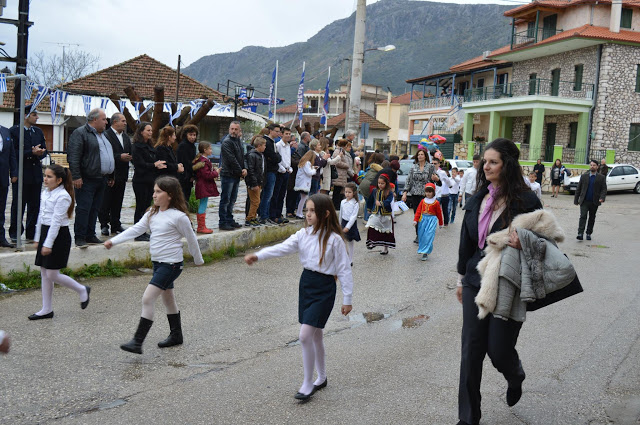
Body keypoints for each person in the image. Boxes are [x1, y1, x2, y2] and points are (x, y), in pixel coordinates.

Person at [455, 138, 542, 425]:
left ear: (508, 165)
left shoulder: (526, 201)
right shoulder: (479, 198)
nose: (486, 166)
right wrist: (460, 278)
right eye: (485, 161)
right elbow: (466, 242)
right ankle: (468, 418)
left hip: (507, 282)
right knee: (471, 350)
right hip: (474, 280)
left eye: (494, 162)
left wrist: (524, 241)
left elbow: (545, 242)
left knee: (498, 350)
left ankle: (515, 374)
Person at [244, 193, 353, 401]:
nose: (308, 214)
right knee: (316, 334)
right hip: (307, 284)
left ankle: (307, 383)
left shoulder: (335, 240)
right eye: (307, 210)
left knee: (304, 335)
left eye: (312, 210)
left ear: (325, 213)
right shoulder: (303, 234)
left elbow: (344, 269)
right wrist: (259, 255)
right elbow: (282, 248)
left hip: (324, 288)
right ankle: (321, 377)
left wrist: (347, 299)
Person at [105, 176, 204, 354]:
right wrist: (114, 241)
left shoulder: (179, 217)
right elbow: (137, 229)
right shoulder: (153, 212)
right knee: (168, 299)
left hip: (171, 265)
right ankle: (176, 335)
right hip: (158, 264)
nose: (154, 195)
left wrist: (198, 260)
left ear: (171, 195)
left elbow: (191, 239)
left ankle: (137, 341)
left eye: (159, 192)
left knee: (148, 298)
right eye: (154, 191)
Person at [29, 164, 90, 320]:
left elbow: (56, 222)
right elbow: (40, 218)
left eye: (49, 176)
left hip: (58, 237)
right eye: (45, 175)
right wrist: (37, 238)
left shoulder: (63, 196)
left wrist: (48, 244)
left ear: (59, 180)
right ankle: (46, 309)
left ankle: (82, 289)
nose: (45, 179)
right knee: (44, 272)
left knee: (52, 273)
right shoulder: (45, 193)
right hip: (45, 233)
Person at [67, 108, 115, 247]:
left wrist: (111, 174)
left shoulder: (103, 135)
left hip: (102, 178)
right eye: (104, 119)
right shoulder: (80, 133)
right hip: (87, 178)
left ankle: (90, 234)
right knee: (84, 208)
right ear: (94, 120)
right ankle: (80, 236)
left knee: (95, 208)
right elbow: (74, 156)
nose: (106, 122)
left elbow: (107, 155)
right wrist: (76, 176)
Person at [9, 107, 47, 244]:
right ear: (26, 115)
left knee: (35, 205)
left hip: (35, 174)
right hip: (21, 173)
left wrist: (41, 152)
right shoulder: (14, 131)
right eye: (34, 115)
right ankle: (15, 232)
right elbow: (13, 152)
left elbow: (44, 149)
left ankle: (31, 232)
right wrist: (30, 153)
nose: (37, 118)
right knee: (18, 204)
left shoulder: (38, 131)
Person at [131, 122, 166, 242]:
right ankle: (138, 233)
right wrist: (154, 165)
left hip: (150, 180)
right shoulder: (136, 146)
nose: (150, 133)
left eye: (151, 130)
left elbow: (153, 161)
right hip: (140, 180)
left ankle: (144, 231)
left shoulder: (150, 146)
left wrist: (158, 165)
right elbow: (139, 164)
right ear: (141, 132)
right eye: (148, 130)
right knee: (140, 207)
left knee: (147, 207)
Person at [99, 113, 132, 236]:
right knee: (105, 201)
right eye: (123, 121)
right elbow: (103, 155)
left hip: (122, 174)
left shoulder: (126, 137)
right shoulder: (106, 135)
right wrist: (119, 157)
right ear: (114, 122)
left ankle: (115, 224)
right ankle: (104, 224)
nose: (125, 123)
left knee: (118, 201)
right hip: (109, 174)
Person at [219, 121, 247, 230]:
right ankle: (223, 221)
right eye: (232, 129)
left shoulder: (238, 141)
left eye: (236, 129)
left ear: (239, 130)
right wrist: (241, 171)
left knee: (232, 199)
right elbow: (232, 160)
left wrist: (244, 168)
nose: (233, 131)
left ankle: (229, 219)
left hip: (235, 175)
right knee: (225, 199)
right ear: (229, 129)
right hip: (228, 174)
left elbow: (242, 157)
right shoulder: (227, 142)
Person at [574, 159, 607, 241]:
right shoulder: (584, 176)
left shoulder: (601, 177)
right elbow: (579, 188)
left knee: (592, 218)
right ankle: (580, 233)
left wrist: (602, 198)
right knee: (583, 216)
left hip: (594, 201)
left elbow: (604, 189)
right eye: (591, 165)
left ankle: (588, 233)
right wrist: (576, 199)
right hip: (584, 200)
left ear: (597, 167)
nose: (592, 166)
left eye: (594, 165)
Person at [192, 141, 219, 234]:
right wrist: (216, 172)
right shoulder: (203, 161)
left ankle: (202, 226)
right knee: (203, 204)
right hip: (203, 185)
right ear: (205, 150)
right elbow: (206, 175)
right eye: (210, 149)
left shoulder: (202, 160)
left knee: (203, 203)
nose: (211, 150)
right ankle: (201, 227)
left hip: (202, 185)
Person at [365, 174, 396, 255]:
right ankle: (371, 242)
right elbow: (370, 200)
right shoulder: (375, 191)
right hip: (376, 213)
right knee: (371, 225)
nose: (380, 185)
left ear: (386, 183)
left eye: (382, 183)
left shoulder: (389, 192)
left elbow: (389, 200)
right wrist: (369, 209)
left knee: (386, 231)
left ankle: (385, 248)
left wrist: (381, 203)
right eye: (379, 183)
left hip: (386, 215)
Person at [259, 123, 282, 224]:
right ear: (271, 131)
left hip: (273, 170)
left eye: (279, 131)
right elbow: (274, 157)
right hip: (269, 171)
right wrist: (276, 157)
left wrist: (276, 157)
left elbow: (278, 157)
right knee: (267, 194)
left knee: (269, 194)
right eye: (276, 131)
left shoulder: (273, 142)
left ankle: (266, 215)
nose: (278, 133)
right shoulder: (267, 142)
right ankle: (263, 216)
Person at [413, 183, 443, 261]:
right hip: (423, 220)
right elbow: (418, 211)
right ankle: (422, 249)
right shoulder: (423, 201)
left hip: (432, 220)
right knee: (422, 235)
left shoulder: (436, 203)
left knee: (428, 235)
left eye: (430, 192)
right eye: (427, 192)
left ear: (433, 192)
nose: (428, 193)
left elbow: (439, 213)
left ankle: (425, 252)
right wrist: (415, 220)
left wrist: (440, 223)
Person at [0, 123, 17, 248]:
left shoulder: (5, 131)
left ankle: (1, 238)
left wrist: (14, 173)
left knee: (1, 209)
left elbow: (11, 154)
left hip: (2, 177)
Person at [272, 127, 293, 223]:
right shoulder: (278, 145)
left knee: (282, 194)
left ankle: (279, 213)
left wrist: (289, 167)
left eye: (289, 134)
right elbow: (277, 159)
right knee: (277, 193)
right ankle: (274, 214)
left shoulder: (288, 146)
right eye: (286, 134)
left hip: (287, 171)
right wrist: (282, 168)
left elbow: (287, 158)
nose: (288, 136)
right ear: (282, 134)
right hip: (280, 172)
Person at [245, 137, 266, 226]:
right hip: (253, 182)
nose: (265, 147)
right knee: (255, 201)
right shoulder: (252, 155)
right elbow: (251, 170)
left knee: (257, 201)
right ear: (259, 145)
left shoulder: (260, 155)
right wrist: (254, 183)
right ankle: (250, 218)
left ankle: (253, 217)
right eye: (264, 145)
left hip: (259, 181)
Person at [176, 124, 199, 203]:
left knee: (186, 198)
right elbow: (186, 162)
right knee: (183, 199)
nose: (193, 137)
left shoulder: (192, 146)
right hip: (183, 176)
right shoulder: (183, 145)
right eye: (190, 135)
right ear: (186, 135)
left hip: (188, 177)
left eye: (194, 135)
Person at [340, 182, 361, 264]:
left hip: (351, 224)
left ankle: (350, 259)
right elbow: (341, 214)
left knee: (350, 241)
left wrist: (348, 227)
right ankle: (344, 256)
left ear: (354, 193)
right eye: (346, 192)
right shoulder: (342, 202)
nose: (347, 194)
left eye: (349, 192)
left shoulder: (355, 203)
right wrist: (339, 223)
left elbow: (353, 217)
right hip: (343, 222)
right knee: (342, 240)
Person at [294, 151, 317, 219]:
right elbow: (309, 172)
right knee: (303, 199)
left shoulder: (303, 162)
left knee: (303, 198)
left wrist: (312, 168)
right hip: (304, 184)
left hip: (301, 183)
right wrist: (314, 170)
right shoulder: (307, 163)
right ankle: (299, 213)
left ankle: (299, 212)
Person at [331, 140, 353, 211]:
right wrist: (346, 165)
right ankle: (335, 206)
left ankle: (337, 206)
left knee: (340, 191)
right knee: (337, 191)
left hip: (342, 175)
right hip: (339, 175)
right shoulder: (338, 151)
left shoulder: (341, 151)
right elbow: (337, 162)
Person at [432, 157, 452, 227]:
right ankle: (434, 223)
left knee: (445, 209)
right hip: (434, 195)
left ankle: (446, 222)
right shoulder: (430, 172)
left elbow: (447, 181)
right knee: (435, 210)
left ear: (439, 164)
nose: (434, 165)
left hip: (443, 194)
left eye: (435, 163)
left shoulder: (442, 173)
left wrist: (450, 186)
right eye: (432, 163)